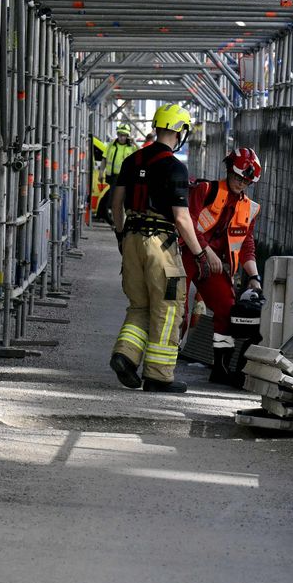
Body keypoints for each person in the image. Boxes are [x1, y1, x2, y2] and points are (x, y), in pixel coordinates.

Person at [108, 104, 221, 393]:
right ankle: (158, 374)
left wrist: (122, 237)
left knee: (139, 304)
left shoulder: (131, 160)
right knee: (168, 307)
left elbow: (116, 203)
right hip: (160, 242)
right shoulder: (175, 168)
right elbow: (182, 219)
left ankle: (126, 355)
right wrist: (199, 252)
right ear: (180, 131)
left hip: (131, 237)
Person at [184, 147, 264, 385]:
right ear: (229, 170)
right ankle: (159, 367)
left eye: (247, 180)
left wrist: (254, 278)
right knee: (177, 310)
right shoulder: (205, 190)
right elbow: (188, 223)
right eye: (239, 177)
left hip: (213, 265)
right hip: (189, 255)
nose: (242, 183)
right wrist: (206, 251)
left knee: (227, 309)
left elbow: (247, 244)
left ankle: (220, 368)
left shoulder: (249, 208)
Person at [96, 124, 138, 223]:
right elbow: (104, 158)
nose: (122, 137)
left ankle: (121, 221)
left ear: (128, 135)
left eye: (124, 135)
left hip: (127, 178)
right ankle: (116, 221)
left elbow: (142, 153)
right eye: (120, 134)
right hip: (113, 177)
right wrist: (101, 172)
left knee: (123, 200)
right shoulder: (111, 145)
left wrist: (135, 143)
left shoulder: (131, 147)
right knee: (114, 200)